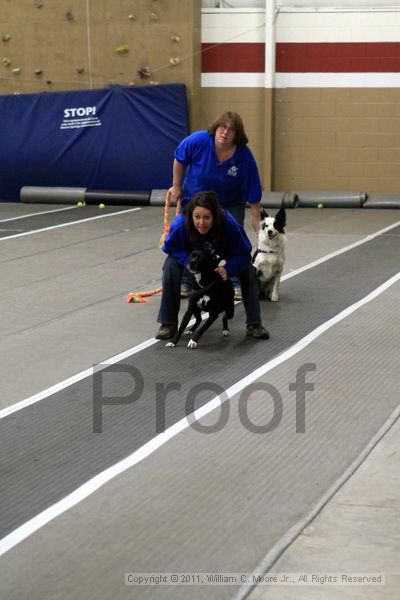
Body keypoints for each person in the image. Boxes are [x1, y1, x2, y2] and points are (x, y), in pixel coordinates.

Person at [169, 111, 263, 299]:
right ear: (216, 128)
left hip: (229, 203)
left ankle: (233, 281)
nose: (225, 133)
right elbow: (179, 159)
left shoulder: (244, 156)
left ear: (237, 135)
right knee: (190, 239)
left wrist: (255, 216)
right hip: (196, 203)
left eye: (231, 130)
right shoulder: (198, 141)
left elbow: (252, 184)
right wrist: (176, 186)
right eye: (222, 127)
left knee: (231, 240)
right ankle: (186, 281)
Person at [155, 191, 269, 341]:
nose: (201, 223)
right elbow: (170, 247)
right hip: (193, 256)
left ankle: (254, 323)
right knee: (170, 267)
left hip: (220, 256)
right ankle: (168, 322)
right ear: (191, 215)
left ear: (215, 216)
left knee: (248, 271)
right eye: (197, 217)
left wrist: (229, 269)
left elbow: (243, 253)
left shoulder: (229, 224)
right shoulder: (180, 224)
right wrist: (186, 261)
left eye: (206, 217)